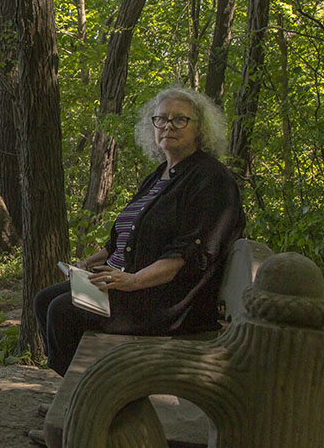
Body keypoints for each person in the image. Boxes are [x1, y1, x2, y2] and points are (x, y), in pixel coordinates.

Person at [35, 86, 246, 377]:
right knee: (45, 299)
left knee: (63, 311)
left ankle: (89, 395)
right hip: (131, 289)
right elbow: (120, 238)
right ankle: (76, 388)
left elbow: (191, 253)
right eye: (161, 119)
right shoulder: (157, 176)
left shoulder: (211, 180)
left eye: (179, 120)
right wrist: (88, 265)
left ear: (200, 129)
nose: (168, 126)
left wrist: (132, 280)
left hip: (166, 302)